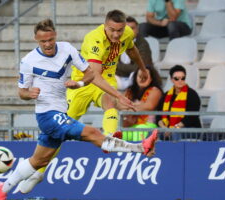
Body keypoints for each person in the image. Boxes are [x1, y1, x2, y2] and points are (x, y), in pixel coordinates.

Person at [0, 19, 158, 200]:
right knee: (93, 133)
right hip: (47, 115)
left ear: (55, 36)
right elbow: (21, 92)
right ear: (36, 40)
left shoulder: (67, 49)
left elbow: (90, 73)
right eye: (43, 41)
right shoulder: (28, 61)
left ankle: (2, 188)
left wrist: (78, 83)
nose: (47, 44)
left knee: (38, 161)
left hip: (61, 111)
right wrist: (29, 93)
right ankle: (140, 147)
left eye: (50, 40)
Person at [67, 9, 148, 137]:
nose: (116, 34)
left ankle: (109, 137)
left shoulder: (127, 33)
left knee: (110, 102)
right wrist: (120, 96)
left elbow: (132, 50)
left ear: (124, 27)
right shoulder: (94, 39)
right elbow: (94, 76)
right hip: (84, 80)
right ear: (105, 26)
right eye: (112, 30)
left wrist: (143, 69)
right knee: (63, 126)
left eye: (119, 30)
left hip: (107, 78)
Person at [116, 66, 163, 141]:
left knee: (138, 132)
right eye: (140, 76)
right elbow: (119, 105)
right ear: (136, 77)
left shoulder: (155, 90)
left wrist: (129, 108)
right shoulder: (130, 90)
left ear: (151, 79)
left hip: (148, 125)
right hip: (129, 125)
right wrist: (135, 107)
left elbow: (148, 106)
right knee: (117, 136)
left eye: (145, 77)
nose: (142, 79)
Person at [156, 65, 201, 141]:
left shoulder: (192, 94)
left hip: (190, 129)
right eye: (176, 78)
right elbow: (159, 116)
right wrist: (164, 129)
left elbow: (191, 117)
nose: (180, 81)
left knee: (175, 133)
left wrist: (174, 128)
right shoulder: (166, 95)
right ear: (171, 80)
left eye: (182, 78)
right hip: (169, 128)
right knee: (153, 132)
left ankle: (175, 152)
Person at [116, 16, 153, 91]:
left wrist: (117, 66)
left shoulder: (143, 44)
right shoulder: (115, 42)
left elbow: (139, 67)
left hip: (136, 77)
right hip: (118, 76)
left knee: (139, 74)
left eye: (132, 28)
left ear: (137, 30)